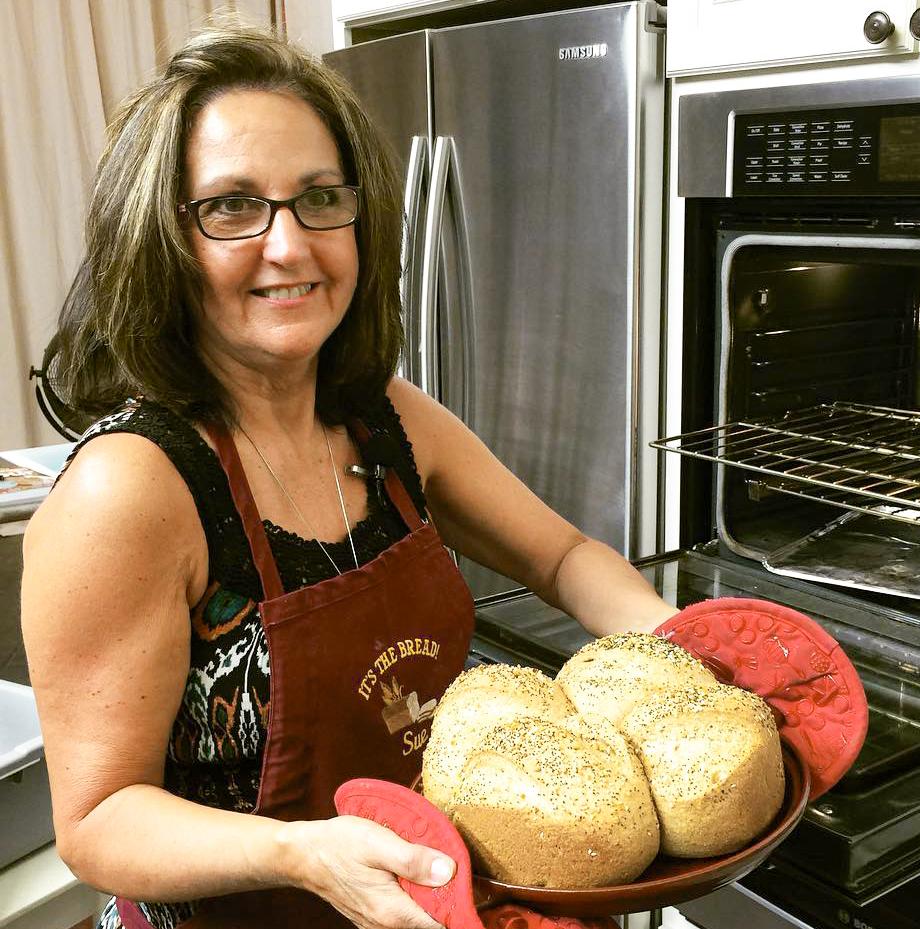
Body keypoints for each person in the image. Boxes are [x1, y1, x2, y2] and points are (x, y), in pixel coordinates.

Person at [19, 22, 680, 929]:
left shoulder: (385, 418)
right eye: (232, 206)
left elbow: (563, 557)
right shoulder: (130, 488)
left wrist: (684, 650)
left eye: (320, 197)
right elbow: (99, 819)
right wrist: (303, 851)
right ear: (160, 240)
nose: (290, 245)